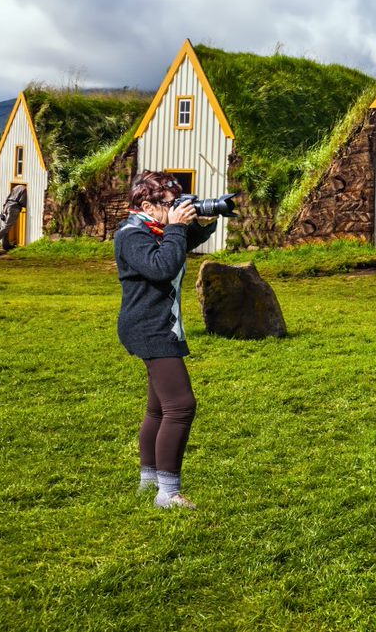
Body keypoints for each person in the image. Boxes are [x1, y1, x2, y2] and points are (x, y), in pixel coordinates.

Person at [115, 171, 217, 510]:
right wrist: (176, 227)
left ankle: (150, 481)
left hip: (158, 325)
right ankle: (168, 494)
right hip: (150, 328)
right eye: (172, 205)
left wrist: (201, 223)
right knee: (181, 406)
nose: (178, 209)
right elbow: (161, 266)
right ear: (147, 205)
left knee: (159, 408)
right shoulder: (132, 235)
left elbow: (177, 248)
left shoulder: (153, 229)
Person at [0, 184, 27, 253]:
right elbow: (22, 202)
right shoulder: (24, 189)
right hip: (14, 207)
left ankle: (5, 245)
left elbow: (7, 198)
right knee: (7, 226)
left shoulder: (15, 188)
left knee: (4, 226)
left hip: (7, 206)